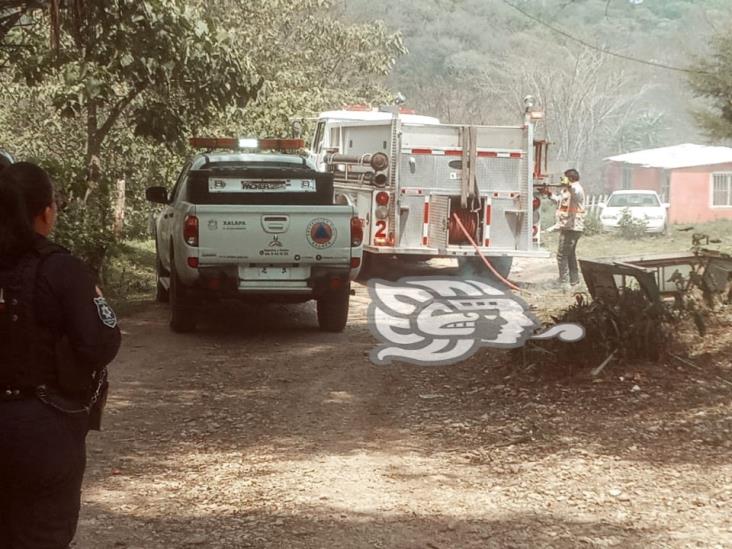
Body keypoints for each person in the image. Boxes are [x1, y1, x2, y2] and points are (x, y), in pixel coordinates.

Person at [0, 161, 121, 548]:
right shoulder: (62, 269)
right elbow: (100, 344)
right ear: (47, 212)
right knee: (41, 534)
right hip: (41, 428)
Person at [542, 168, 586, 288]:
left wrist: (568, 185)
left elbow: (575, 193)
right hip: (567, 226)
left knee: (561, 256)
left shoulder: (576, 188)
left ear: (570, 178)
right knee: (570, 255)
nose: (562, 179)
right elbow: (559, 202)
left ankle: (564, 283)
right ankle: (574, 281)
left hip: (573, 227)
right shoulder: (566, 190)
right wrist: (549, 194)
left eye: (564, 177)